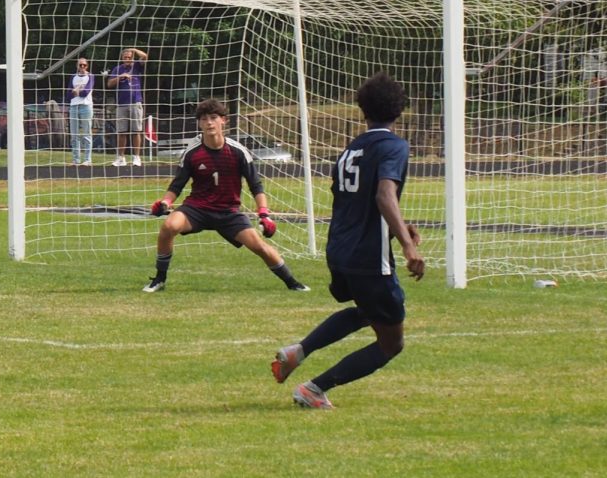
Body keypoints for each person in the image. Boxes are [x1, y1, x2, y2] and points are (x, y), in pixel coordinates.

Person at [270, 72, 425, 409]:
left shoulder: (351, 149)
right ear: (400, 110)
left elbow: (358, 200)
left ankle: (299, 350)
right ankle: (314, 389)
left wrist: (402, 226)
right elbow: (384, 196)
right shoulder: (394, 145)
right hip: (369, 257)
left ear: (362, 109)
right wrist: (407, 245)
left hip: (340, 250)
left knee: (366, 312)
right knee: (391, 343)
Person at [145, 98, 308, 293]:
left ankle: (293, 283)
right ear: (199, 123)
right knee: (168, 227)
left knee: (259, 246)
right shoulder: (192, 152)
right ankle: (159, 279)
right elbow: (177, 184)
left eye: (214, 118)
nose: (209, 123)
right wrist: (165, 202)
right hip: (197, 208)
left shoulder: (238, 151)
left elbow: (256, 185)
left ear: (224, 120)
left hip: (228, 212)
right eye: (204, 119)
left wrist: (264, 214)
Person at [106, 47, 148, 167]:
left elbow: (145, 56)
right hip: (121, 103)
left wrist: (134, 50)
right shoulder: (118, 69)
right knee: (121, 132)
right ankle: (121, 158)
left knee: (136, 131)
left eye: (129, 57)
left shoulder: (137, 66)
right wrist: (121, 77)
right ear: (122, 58)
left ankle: (136, 157)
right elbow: (109, 84)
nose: (127, 60)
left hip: (135, 102)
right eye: (125, 57)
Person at [67, 57, 95, 165]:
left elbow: (85, 92)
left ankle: (87, 159)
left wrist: (76, 91)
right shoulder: (73, 77)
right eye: (80, 65)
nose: (82, 67)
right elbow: (68, 95)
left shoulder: (90, 76)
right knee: (74, 135)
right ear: (77, 66)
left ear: (87, 66)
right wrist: (76, 91)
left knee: (87, 134)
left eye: (84, 65)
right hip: (74, 106)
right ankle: (76, 160)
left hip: (86, 106)